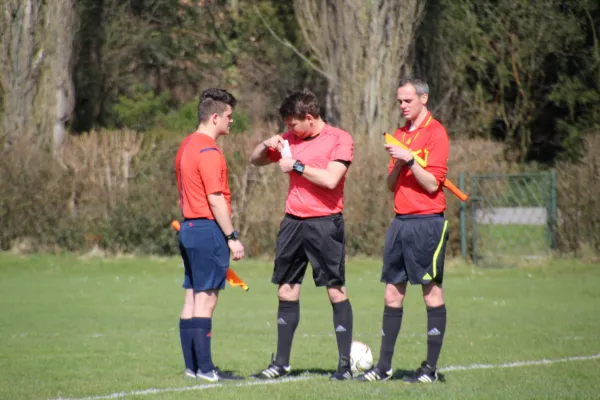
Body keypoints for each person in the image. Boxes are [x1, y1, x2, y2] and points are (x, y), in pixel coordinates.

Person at [248, 89, 355, 380]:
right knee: (286, 290)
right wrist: (265, 144)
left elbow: (332, 179)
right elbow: (256, 159)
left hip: (325, 223)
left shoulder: (339, 139)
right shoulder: (289, 139)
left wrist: (296, 165)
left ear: (309, 118)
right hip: (293, 223)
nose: (288, 129)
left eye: (293, 124)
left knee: (335, 291)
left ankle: (345, 366)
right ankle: (280, 363)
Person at [358, 76, 449, 383]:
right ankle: (383, 368)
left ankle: (430, 370)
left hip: (427, 223)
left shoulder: (436, 133)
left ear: (423, 99)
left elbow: (433, 183)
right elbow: (389, 186)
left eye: (407, 100)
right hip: (400, 222)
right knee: (391, 295)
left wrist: (410, 159)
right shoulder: (398, 134)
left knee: (430, 293)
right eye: (399, 101)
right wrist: (397, 163)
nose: (402, 105)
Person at [174, 88, 245, 382]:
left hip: (188, 229)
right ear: (215, 117)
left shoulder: (185, 146)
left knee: (191, 298)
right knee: (207, 300)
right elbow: (215, 199)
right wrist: (232, 237)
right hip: (207, 231)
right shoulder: (209, 152)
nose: (232, 121)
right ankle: (206, 369)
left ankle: (192, 368)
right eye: (229, 116)